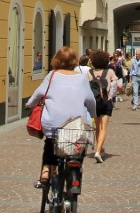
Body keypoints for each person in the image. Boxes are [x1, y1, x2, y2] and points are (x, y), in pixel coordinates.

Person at [25, 46, 96, 189]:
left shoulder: (52, 75)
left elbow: (38, 94)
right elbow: (91, 101)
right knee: (78, 147)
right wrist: (93, 115)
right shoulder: (82, 78)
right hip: (76, 125)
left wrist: (29, 104)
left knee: (50, 142)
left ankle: (45, 170)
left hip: (53, 123)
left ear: (56, 60)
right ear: (74, 61)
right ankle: (75, 168)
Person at [87, 50, 119, 162]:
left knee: (97, 126)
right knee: (103, 127)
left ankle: (99, 148)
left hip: (94, 102)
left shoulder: (89, 73)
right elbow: (117, 85)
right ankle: (98, 151)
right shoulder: (109, 71)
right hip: (106, 100)